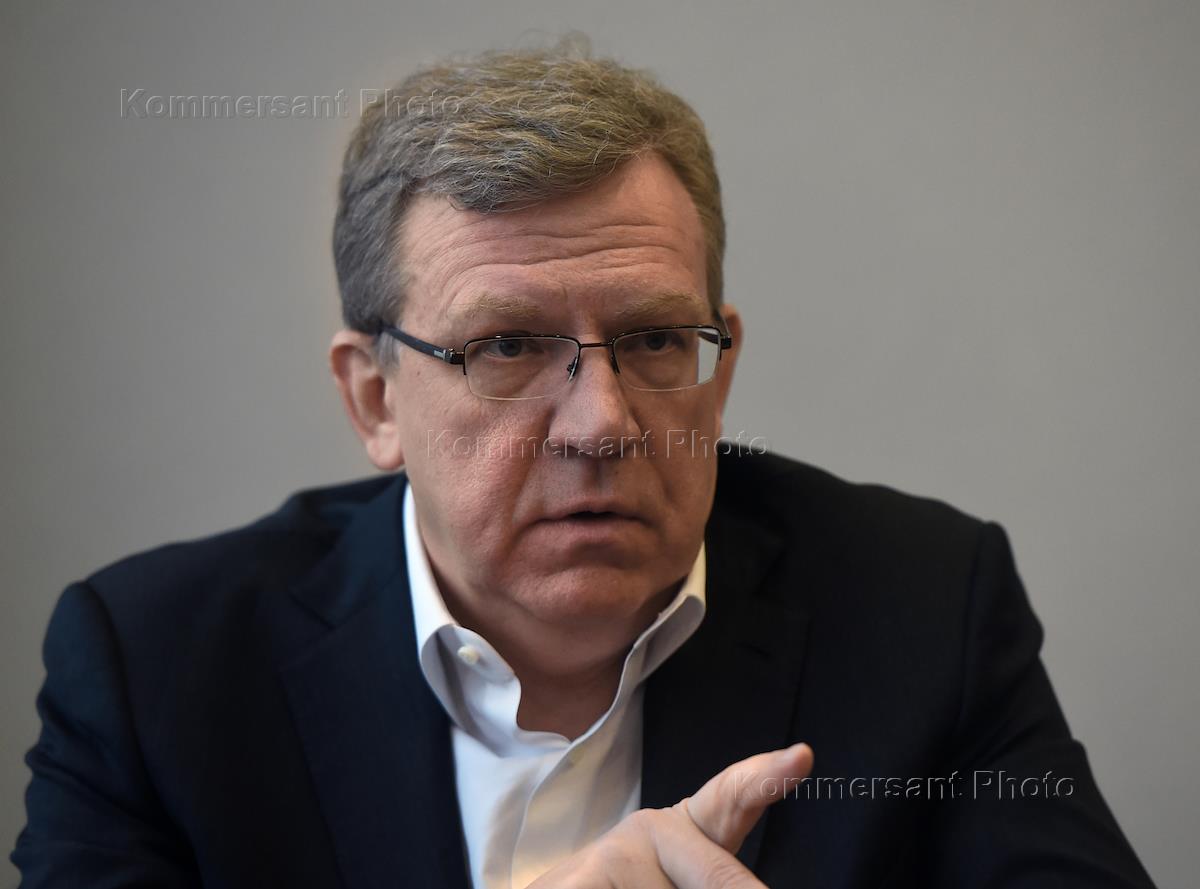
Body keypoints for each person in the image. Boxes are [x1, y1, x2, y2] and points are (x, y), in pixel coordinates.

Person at [12, 41, 1156, 889]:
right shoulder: (157, 665)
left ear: (720, 366)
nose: (601, 424)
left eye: (655, 339)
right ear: (376, 398)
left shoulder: (923, 607)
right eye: (508, 347)